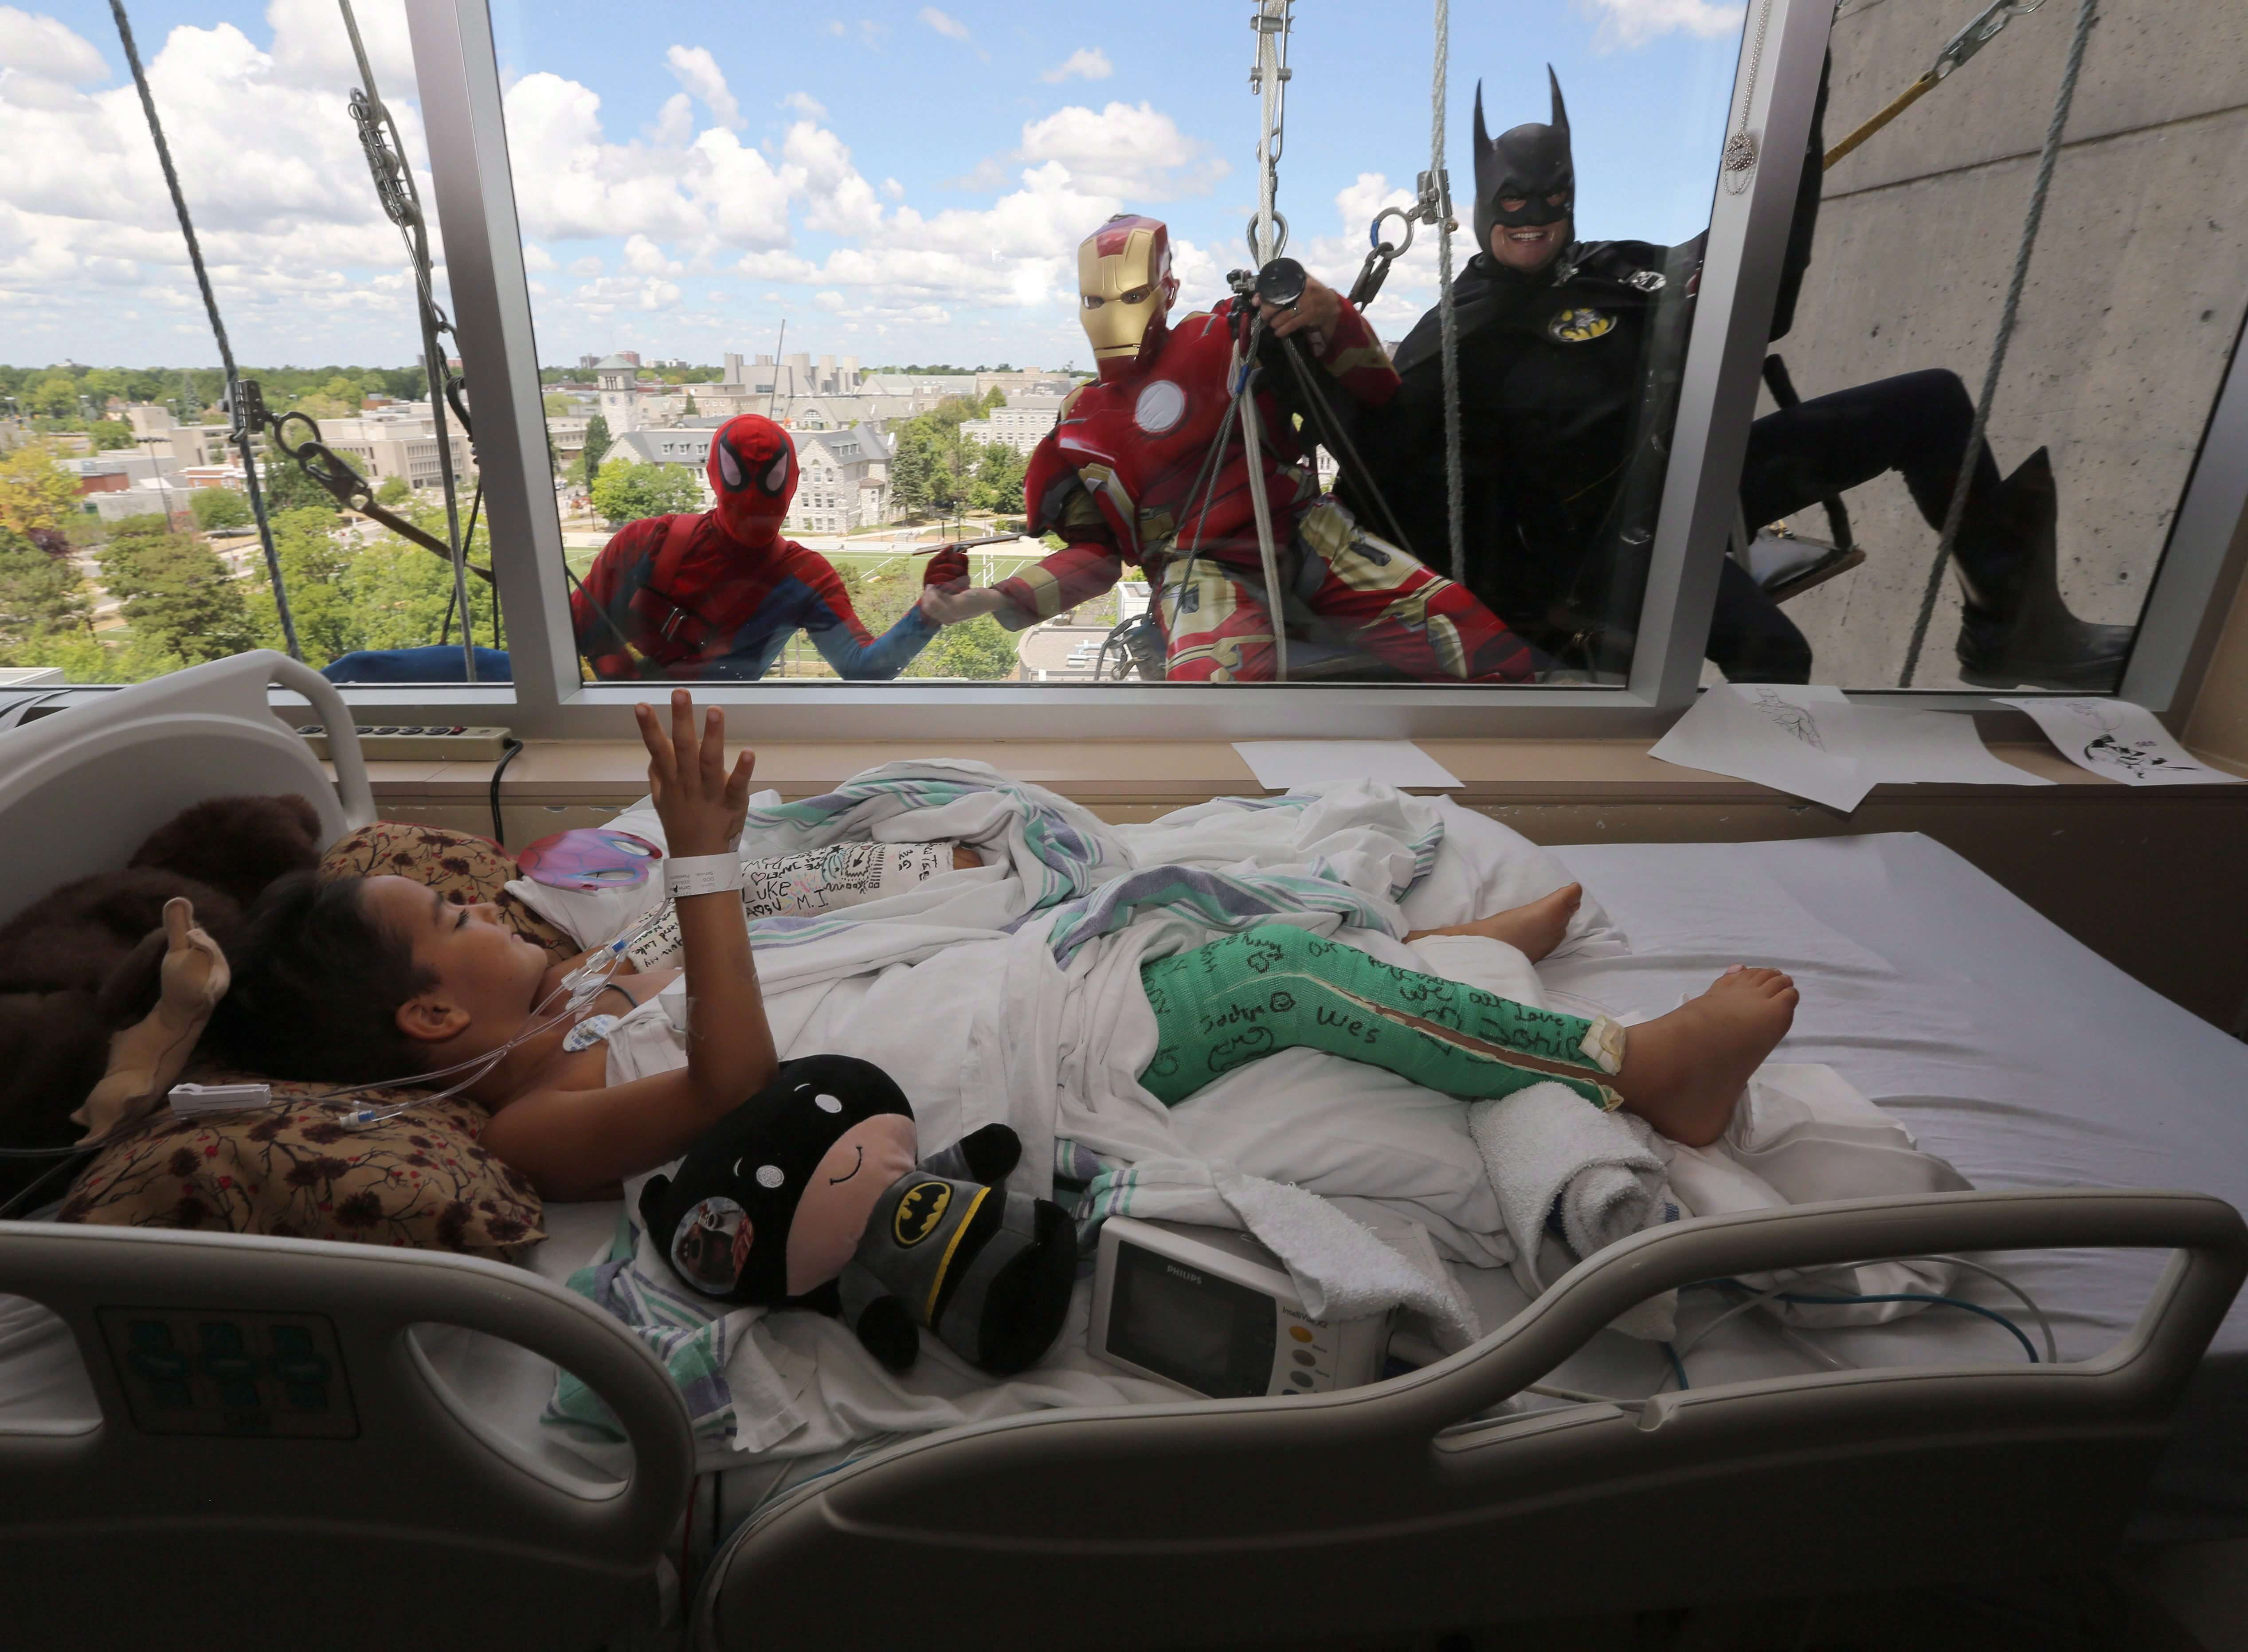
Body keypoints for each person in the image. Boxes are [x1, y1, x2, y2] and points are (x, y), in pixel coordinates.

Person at [208, 691, 1799, 1202]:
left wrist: (729, 862)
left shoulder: (574, 971)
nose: (489, 906)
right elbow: (735, 1082)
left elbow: (769, 903)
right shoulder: (535, 1120)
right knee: (1258, 980)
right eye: (455, 920)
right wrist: (696, 862)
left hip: (978, 965)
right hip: (1004, 1046)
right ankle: (1636, 1069)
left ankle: (1438, 941)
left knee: (1203, 898)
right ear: (429, 1013)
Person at [1359, 68, 2131, 690]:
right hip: (1590, 553)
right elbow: (1376, 452)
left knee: (1930, 402)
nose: (1534, 216)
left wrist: (1797, 114)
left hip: (1694, 481)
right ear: (1485, 204)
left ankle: (2010, 630)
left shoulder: (1615, 271)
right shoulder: (1457, 331)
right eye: (1514, 202)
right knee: (1776, 656)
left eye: (1552, 198)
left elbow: (1750, 278)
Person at [916, 215, 1538, 683]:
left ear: (1167, 289)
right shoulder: (1078, 425)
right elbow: (1099, 556)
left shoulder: (1230, 335)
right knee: (1215, 702)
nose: (1112, 314)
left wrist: (1328, 313)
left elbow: (1376, 388)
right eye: (1094, 300)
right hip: (1197, 571)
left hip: (1308, 532)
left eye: (1132, 295)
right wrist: (989, 599)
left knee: (1481, 652)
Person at [571, 414, 967, 681]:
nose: (756, 513)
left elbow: (574, 631)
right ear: (793, 482)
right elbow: (865, 667)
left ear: (713, 475)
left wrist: (624, 690)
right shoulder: (804, 578)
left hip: (636, 725)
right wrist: (927, 614)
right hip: (714, 731)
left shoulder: (648, 541)